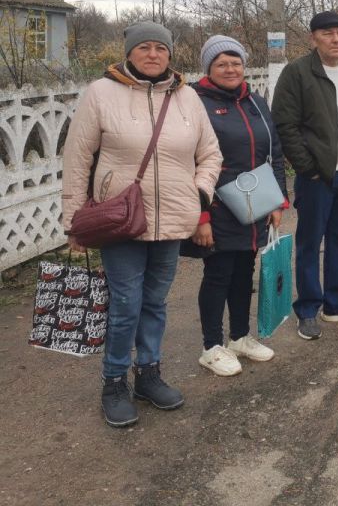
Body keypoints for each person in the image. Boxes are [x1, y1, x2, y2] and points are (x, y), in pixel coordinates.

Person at [62, 22, 222, 428]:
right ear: (129, 53)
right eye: (144, 48)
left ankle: (148, 374)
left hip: (171, 220)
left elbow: (211, 154)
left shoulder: (186, 97)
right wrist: (73, 223)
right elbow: (77, 159)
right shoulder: (102, 93)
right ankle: (113, 381)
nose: (153, 54)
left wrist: (199, 193)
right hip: (120, 221)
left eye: (161, 48)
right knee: (126, 306)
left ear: (170, 54)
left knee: (154, 302)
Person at [184, 35, 289, 377]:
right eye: (221, 64)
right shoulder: (194, 102)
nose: (230, 69)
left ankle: (239, 337)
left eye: (236, 62)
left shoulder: (255, 101)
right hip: (216, 204)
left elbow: (273, 152)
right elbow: (187, 161)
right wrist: (200, 215)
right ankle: (211, 346)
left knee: (245, 272)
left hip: (254, 200)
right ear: (209, 68)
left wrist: (278, 200)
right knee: (219, 273)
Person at [271, 11, 338, 340]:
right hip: (319, 179)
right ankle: (307, 308)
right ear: (314, 37)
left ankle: (335, 303)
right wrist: (308, 168)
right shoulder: (297, 73)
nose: (336, 39)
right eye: (328, 33)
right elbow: (285, 126)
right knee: (309, 243)